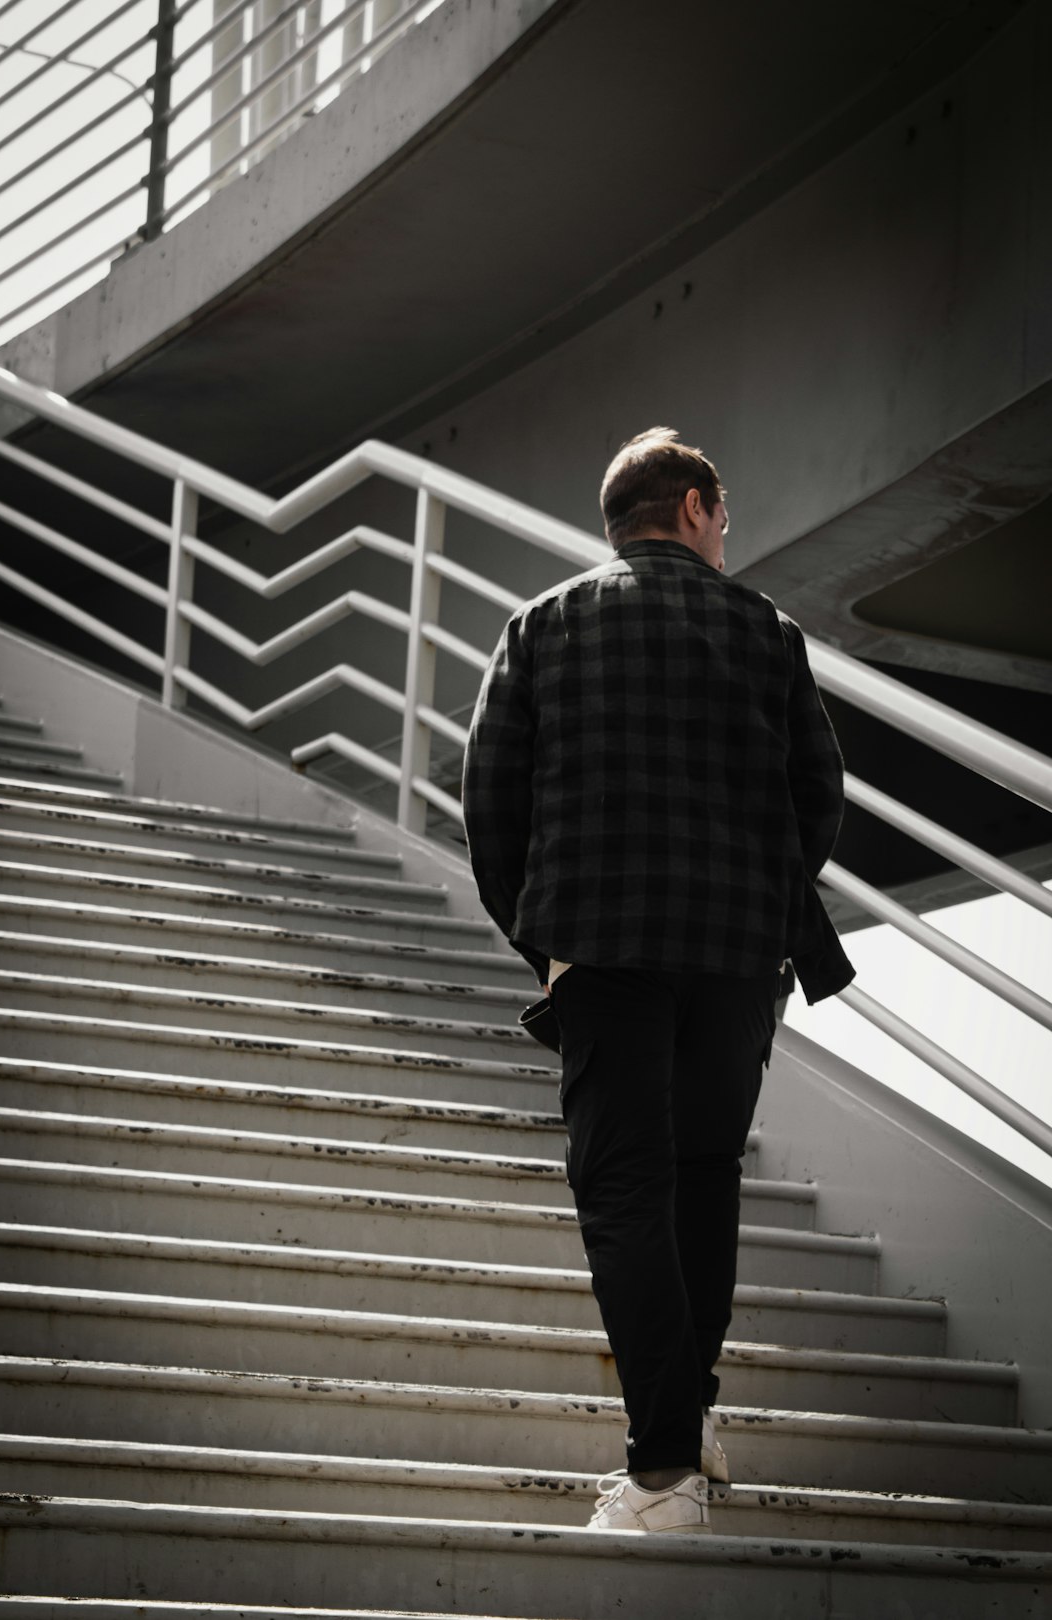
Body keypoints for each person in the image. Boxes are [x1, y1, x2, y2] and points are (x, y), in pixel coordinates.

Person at [461, 428, 854, 1534]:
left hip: (609, 956)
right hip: (735, 961)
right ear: (690, 507)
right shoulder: (768, 632)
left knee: (625, 1190)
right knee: (703, 1181)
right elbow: (818, 797)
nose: (728, 537)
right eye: (723, 516)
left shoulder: (543, 625)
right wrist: (746, 901)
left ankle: (665, 1467)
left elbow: (489, 800)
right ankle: (690, 1422)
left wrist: (548, 940)